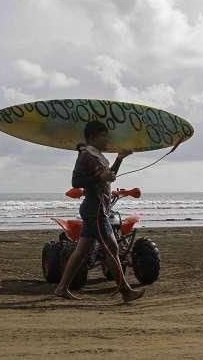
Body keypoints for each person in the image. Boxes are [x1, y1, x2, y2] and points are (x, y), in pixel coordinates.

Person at [54, 121, 145, 302]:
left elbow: (108, 178)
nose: (107, 140)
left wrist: (119, 159)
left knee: (81, 251)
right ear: (93, 136)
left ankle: (61, 288)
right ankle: (125, 291)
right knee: (112, 248)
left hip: (98, 208)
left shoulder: (96, 155)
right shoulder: (86, 155)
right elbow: (76, 181)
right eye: (104, 136)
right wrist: (99, 176)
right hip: (95, 209)